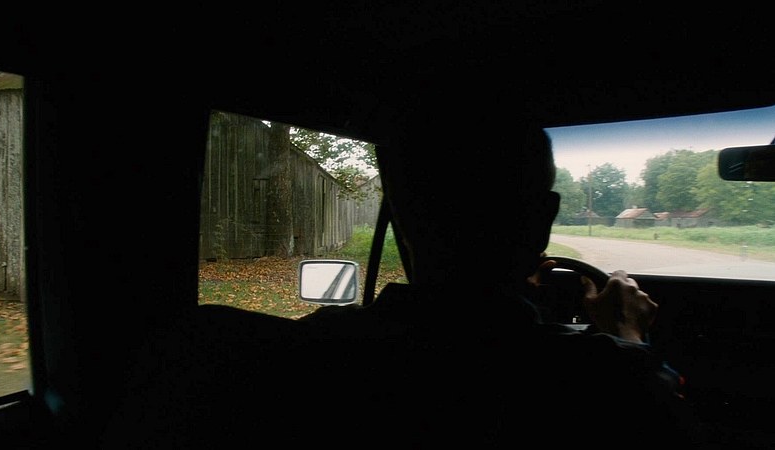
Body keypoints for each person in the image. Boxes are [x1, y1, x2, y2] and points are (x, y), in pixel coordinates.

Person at [298, 103, 716, 448]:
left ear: (402, 218)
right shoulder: (602, 378)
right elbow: (672, 425)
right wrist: (628, 333)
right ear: (543, 220)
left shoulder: (321, 344)